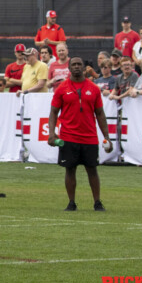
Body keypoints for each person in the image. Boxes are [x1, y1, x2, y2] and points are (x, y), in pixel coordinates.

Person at [48, 56, 113, 212]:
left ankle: (97, 202)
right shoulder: (62, 88)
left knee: (92, 169)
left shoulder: (94, 88)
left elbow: (100, 114)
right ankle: (71, 202)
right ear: (69, 68)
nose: (76, 67)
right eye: (74, 64)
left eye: (79, 64)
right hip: (68, 136)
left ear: (84, 68)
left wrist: (106, 136)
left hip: (89, 137)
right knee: (70, 169)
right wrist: (51, 133)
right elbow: (53, 112)